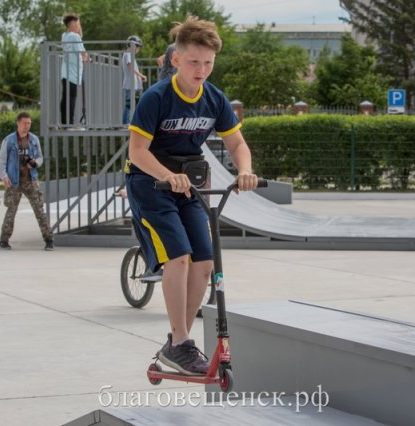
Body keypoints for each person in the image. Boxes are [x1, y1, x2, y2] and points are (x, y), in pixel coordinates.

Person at [125, 16, 259, 375]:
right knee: (179, 258)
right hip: (150, 183)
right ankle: (183, 342)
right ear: (176, 60)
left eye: (208, 63)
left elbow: (237, 143)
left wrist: (245, 170)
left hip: (188, 184)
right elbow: (137, 152)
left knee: (204, 262)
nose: (201, 70)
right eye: (193, 62)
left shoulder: (214, 99)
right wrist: (167, 175)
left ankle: (177, 344)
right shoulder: (157, 97)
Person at [0, 112, 54, 251]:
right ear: (18, 123)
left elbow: (40, 157)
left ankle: (49, 239)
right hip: (14, 181)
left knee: (39, 210)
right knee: (11, 211)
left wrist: (35, 163)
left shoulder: (33, 139)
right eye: (24, 123)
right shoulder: (9, 140)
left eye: (29, 123)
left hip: (30, 180)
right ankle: (4, 240)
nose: (27, 126)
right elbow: (1, 161)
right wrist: (4, 176)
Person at [60, 13, 87, 129]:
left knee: (65, 98)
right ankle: (70, 124)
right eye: (78, 23)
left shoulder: (64, 35)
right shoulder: (75, 37)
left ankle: (65, 123)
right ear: (72, 24)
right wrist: (88, 59)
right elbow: (83, 53)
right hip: (73, 73)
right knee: (71, 99)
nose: (79, 26)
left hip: (65, 72)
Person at [122, 35, 147, 125]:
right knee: (129, 104)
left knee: (133, 103)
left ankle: (130, 121)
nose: (138, 49)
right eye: (138, 46)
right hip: (130, 84)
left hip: (133, 84)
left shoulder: (130, 55)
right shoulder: (127, 54)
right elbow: (130, 67)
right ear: (133, 45)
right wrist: (141, 75)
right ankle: (125, 122)